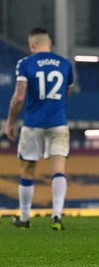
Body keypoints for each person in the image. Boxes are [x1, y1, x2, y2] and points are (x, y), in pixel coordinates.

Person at [5, 27, 74, 230]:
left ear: (31, 44)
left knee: (27, 171)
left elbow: (19, 97)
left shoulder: (26, 64)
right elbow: (67, 91)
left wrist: (10, 122)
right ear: (49, 42)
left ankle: (25, 218)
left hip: (33, 124)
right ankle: (57, 216)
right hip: (58, 122)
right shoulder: (65, 64)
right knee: (58, 171)